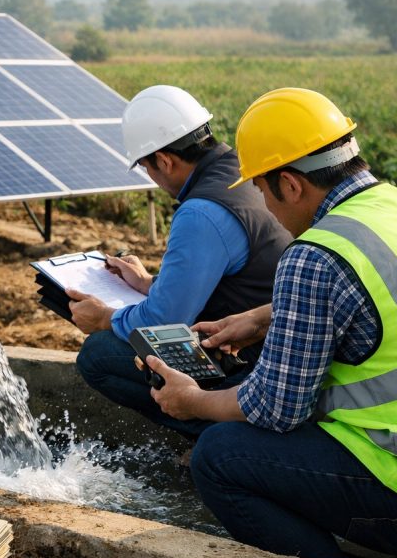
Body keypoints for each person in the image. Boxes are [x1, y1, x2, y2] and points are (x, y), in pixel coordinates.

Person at [145, 87, 397, 558]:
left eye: (262, 190)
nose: (268, 207)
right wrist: (265, 315)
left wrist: (191, 400)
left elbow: (277, 409)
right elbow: (396, 303)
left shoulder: (313, 255)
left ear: (292, 184)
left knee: (220, 455)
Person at [68, 85, 291, 439]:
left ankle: (221, 435)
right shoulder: (239, 170)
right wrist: (146, 282)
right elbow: (223, 274)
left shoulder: (202, 212)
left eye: (147, 167)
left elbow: (164, 321)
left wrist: (105, 318)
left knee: (99, 355)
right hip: (277, 344)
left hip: (251, 360)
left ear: (166, 161)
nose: (152, 178)